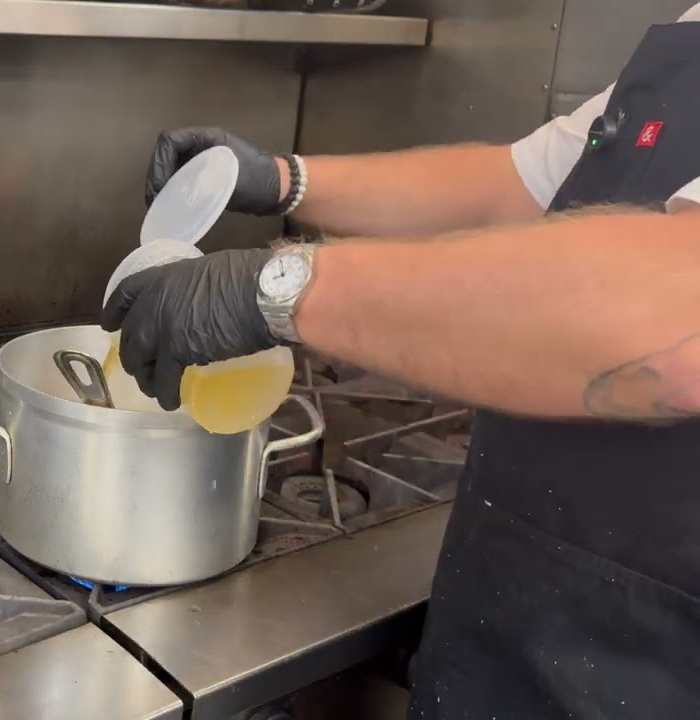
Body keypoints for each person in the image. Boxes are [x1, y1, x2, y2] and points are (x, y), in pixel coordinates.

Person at [101, 5, 700, 718]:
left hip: (655, 655)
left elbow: (672, 328)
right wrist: (283, 181)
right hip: (521, 588)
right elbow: (515, 187)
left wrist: (276, 289)